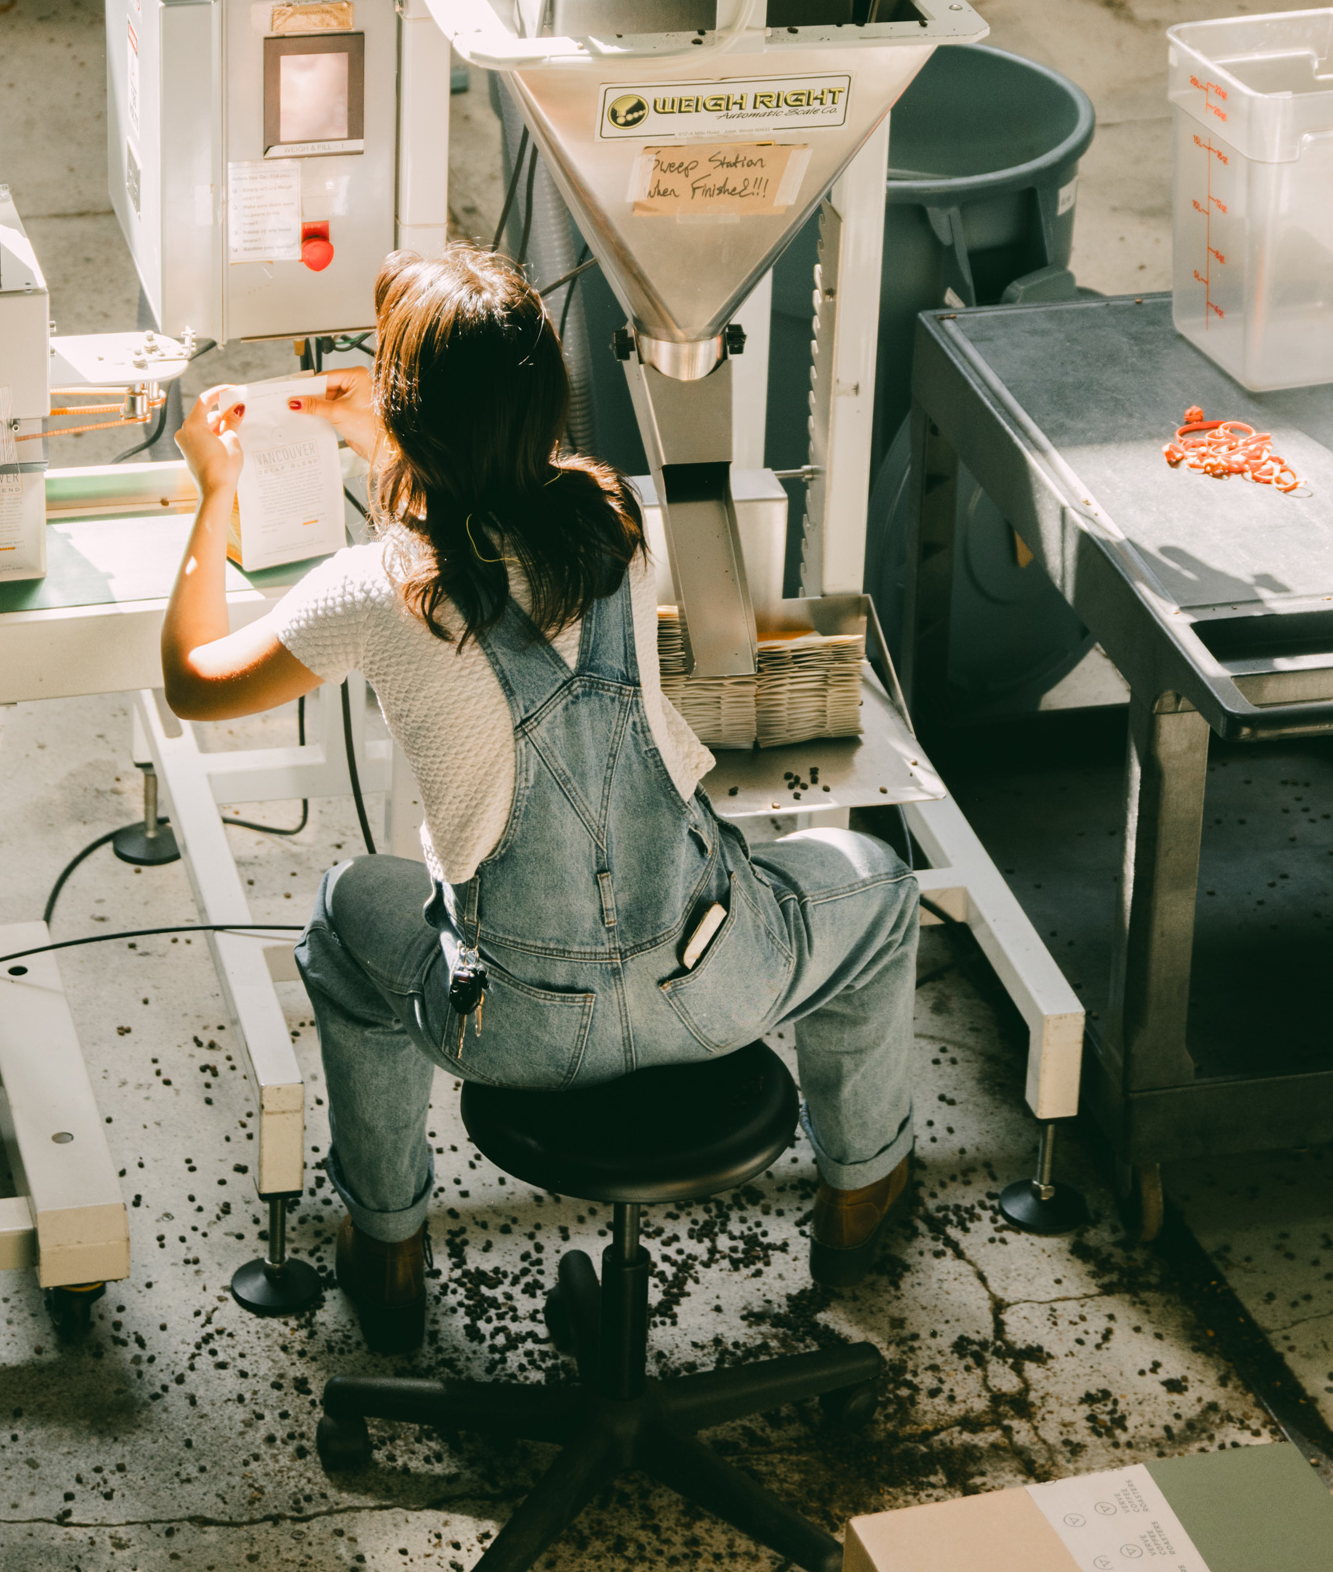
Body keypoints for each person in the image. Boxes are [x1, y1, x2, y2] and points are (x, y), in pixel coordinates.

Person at [162, 247, 916, 1353]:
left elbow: (194, 685)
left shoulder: (376, 591)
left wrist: (212, 494)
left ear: (414, 411)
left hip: (514, 1028)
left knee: (343, 917)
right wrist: (391, 431)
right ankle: (861, 1195)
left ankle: (388, 1241)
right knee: (876, 889)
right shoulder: (611, 528)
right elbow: (501, 518)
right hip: (715, 983)